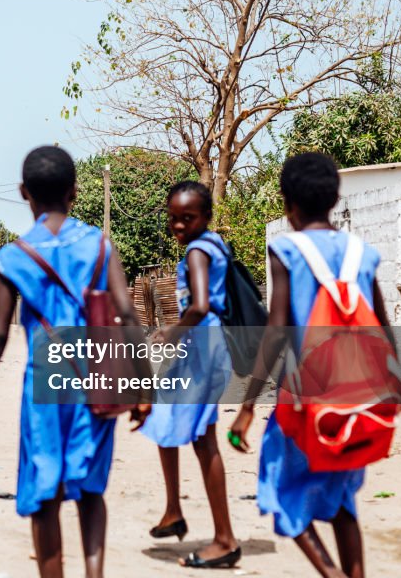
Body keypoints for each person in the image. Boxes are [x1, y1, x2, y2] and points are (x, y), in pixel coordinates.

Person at [0, 145, 150, 578]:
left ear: (24, 193)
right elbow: (129, 314)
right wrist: (143, 387)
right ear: (75, 191)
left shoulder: (14, 257)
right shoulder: (99, 245)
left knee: (44, 494)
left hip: (43, 389)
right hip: (97, 382)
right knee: (90, 490)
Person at [229, 153, 390, 578]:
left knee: (280, 489)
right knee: (341, 502)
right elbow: (385, 331)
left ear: (288, 203)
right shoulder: (362, 253)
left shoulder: (287, 249)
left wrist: (247, 407)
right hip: (353, 402)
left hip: (300, 403)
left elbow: (277, 329)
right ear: (335, 198)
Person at [138, 180, 240, 568]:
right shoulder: (216, 246)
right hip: (204, 349)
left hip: (200, 348)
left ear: (206, 217)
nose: (179, 226)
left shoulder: (198, 252)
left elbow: (198, 307)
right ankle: (172, 510)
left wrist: (169, 332)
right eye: (173, 218)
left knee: (203, 439)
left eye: (188, 218)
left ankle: (225, 540)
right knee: (164, 420)